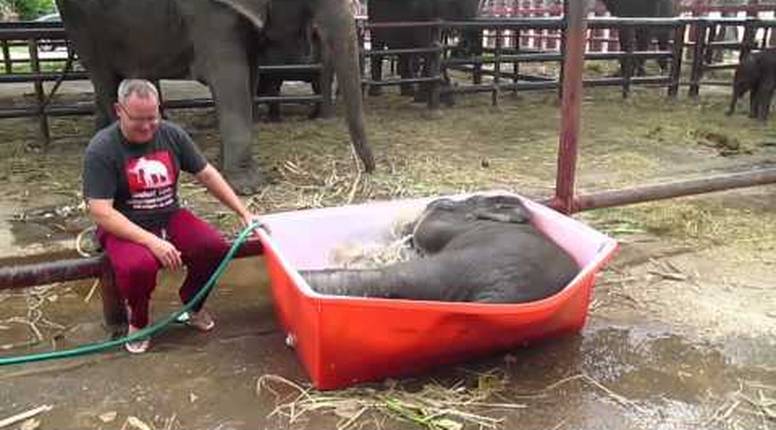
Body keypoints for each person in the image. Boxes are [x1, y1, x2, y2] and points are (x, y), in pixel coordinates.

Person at [82, 78, 262, 354]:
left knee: (213, 247)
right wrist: (152, 242)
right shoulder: (102, 148)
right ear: (119, 111)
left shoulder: (171, 134)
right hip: (123, 224)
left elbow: (207, 174)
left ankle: (193, 303)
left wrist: (243, 212)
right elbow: (101, 211)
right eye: (138, 120)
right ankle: (139, 321)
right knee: (138, 267)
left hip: (168, 214)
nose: (147, 127)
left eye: (152, 117)